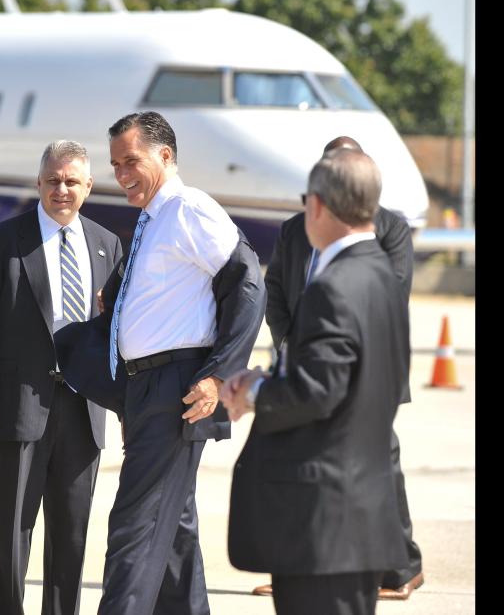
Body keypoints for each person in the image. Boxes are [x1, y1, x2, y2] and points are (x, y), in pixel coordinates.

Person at [55, 111, 265, 615]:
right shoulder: (154, 217)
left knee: (135, 528)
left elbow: (248, 281)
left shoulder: (189, 208)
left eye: (131, 161)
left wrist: (218, 373)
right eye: (115, 164)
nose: (121, 174)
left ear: (165, 156)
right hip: (145, 387)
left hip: (178, 387)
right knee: (172, 531)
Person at [221, 148, 410, 615]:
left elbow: (317, 391)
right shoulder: (382, 273)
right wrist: (274, 375)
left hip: (323, 523)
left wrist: (253, 392)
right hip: (359, 514)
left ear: (319, 205)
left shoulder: (334, 285)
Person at [0, 140, 123, 615]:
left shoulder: (106, 245)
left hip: (84, 412)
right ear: (38, 183)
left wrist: (124, 403)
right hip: (17, 410)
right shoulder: (2, 242)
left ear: (89, 187)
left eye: (73, 181)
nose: (62, 189)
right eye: (53, 180)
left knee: (72, 535)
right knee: (10, 532)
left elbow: (115, 334)